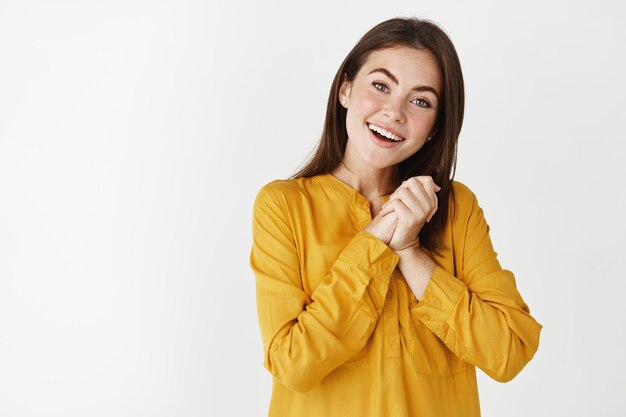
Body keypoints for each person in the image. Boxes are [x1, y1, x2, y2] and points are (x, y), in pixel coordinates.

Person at [249, 17, 542, 417]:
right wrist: (375, 240)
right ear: (346, 89)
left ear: (436, 126)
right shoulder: (283, 205)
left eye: (420, 101)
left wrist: (410, 251)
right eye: (381, 86)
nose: (394, 111)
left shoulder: (455, 208)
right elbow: (293, 365)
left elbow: (508, 351)